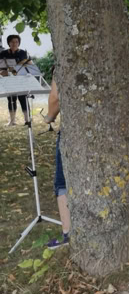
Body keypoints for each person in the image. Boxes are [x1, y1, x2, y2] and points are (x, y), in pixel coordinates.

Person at [42, 79, 71, 249]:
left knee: (62, 182)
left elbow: (55, 97)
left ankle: (68, 234)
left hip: (72, 130)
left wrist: (49, 116)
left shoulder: (63, 64)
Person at [1, 35, 30, 126]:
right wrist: (1, 72)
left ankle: (27, 120)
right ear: (9, 43)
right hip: (9, 79)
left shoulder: (23, 53)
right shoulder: (3, 53)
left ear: (19, 43)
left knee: (23, 98)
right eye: (12, 42)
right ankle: (12, 121)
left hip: (21, 79)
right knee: (11, 99)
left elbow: (26, 65)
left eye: (16, 42)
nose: (14, 44)